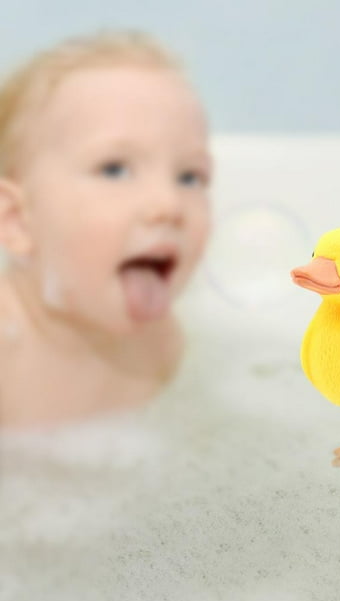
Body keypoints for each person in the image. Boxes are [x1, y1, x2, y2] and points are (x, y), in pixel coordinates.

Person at [0, 31, 212, 427]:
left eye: (190, 177)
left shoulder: (162, 343)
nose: (168, 204)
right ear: (17, 220)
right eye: (114, 169)